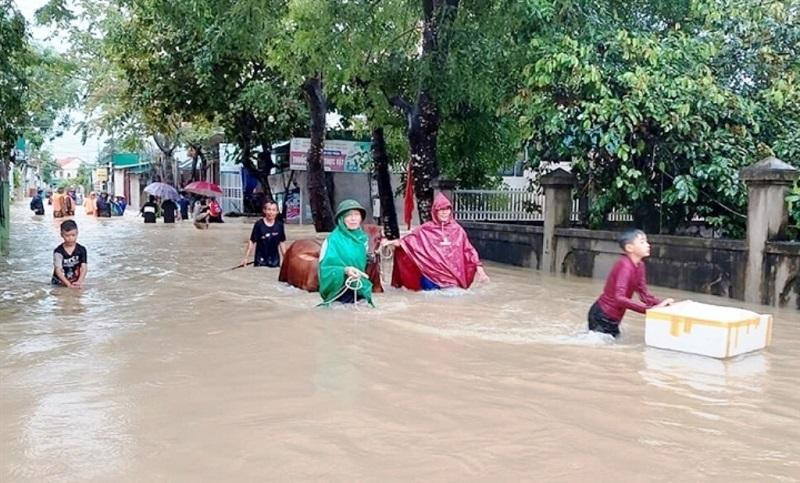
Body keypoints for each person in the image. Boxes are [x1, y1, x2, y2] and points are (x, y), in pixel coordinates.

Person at [382, 193, 489, 291]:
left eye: (447, 209)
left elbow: (469, 251)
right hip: (430, 277)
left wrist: (480, 271)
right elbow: (407, 243)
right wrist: (388, 242)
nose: (444, 212)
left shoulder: (457, 230)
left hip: (452, 278)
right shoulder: (425, 229)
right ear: (435, 211)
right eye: (441, 209)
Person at [587, 229, 675, 337]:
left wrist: (663, 305)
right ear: (629, 248)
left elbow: (644, 294)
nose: (648, 245)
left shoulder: (640, 265)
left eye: (646, 241)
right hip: (602, 316)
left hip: (613, 318)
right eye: (642, 242)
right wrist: (647, 310)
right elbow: (619, 298)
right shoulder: (625, 266)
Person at [318, 199, 374, 306]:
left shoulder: (363, 239)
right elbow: (325, 269)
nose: (353, 218)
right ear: (341, 219)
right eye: (348, 215)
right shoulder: (332, 241)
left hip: (359, 287)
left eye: (356, 214)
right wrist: (345, 270)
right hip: (339, 292)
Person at [242, 200, 287, 268]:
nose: (271, 212)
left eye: (273, 210)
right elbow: (251, 242)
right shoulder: (259, 224)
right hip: (260, 261)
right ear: (264, 210)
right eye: (269, 209)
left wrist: (286, 259)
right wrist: (245, 258)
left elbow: (282, 243)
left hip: (274, 261)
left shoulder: (280, 225)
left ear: (277, 212)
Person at [51, 219, 88, 288]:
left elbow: (84, 267)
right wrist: (68, 284)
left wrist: (79, 282)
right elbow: (58, 270)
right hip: (59, 282)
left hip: (75, 280)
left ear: (77, 233)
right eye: (67, 235)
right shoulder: (58, 251)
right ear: (62, 235)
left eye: (73, 235)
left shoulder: (82, 249)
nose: (70, 238)